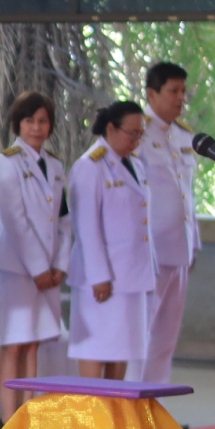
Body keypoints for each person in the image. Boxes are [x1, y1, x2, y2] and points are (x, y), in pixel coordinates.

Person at [0, 91, 69, 420]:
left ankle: (27, 414)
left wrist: (60, 264)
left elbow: (63, 219)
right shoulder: (6, 163)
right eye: (29, 121)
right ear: (17, 124)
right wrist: (38, 268)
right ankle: (10, 420)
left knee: (34, 342)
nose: (36, 128)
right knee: (14, 342)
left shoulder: (55, 165)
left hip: (48, 269)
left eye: (42, 121)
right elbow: (15, 220)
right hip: (17, 267)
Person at [69, 100, 154, 381]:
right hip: (102, 278)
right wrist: (99, 276)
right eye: (131, 133)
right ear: (111, 129)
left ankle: (115, 407)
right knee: (95, 349)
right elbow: (86, 226)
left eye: (140, 134)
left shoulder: (136, 165)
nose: (136, 140)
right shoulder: (90, 166)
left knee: (123, 349)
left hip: (131, 275)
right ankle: (93, 408)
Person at [137, 62, 198, 383]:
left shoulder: (184, 135)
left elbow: (188, 194)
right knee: (143, 331)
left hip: (179, 249)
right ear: (152, 94)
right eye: (173, 91)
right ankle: (134, 401)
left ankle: (155, 402)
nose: (180, 98)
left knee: (166, 337)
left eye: (183, 91)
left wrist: (193, 242)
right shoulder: (138, 134)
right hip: (151, 250)